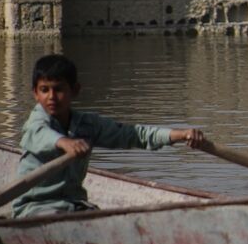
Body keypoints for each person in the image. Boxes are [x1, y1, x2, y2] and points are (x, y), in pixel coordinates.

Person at [12, 53, 205, 218]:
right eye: (44, 90)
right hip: (34, 208)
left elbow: (133, 134)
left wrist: (180, 135)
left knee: (97, 217)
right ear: (35, 93)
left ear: (75, 90)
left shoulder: (87, 125)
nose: (51, 97)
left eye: (59, 89)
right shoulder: (36, 122)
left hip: (73, 204)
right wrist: (64, 143)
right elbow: (41, 134)